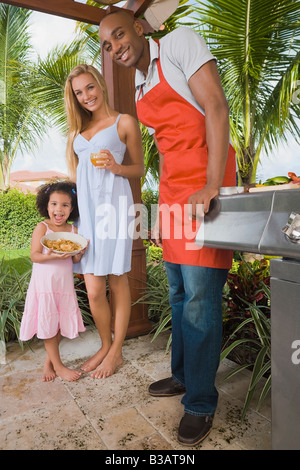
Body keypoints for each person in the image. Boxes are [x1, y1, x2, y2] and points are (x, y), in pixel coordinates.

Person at [99, 10, 236, 445]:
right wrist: (161, 210)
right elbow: (165, 151)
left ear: (138, 28)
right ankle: (182, 377)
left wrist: (212, 184)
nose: (115, 46)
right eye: (106, 44)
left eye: (118, 34)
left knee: (199, 298)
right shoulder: (140, 88)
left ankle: (199, 402)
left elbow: (215, 106)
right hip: (177, 194)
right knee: (178, 293)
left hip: (206, 186)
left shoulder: (179, 43)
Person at [64, 64, 144, 379]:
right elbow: (75, 181)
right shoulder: (76, 132)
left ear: (100, 84)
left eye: (90, 88)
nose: (86, 96)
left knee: (118, 279)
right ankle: (104, 343)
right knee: (94, 289)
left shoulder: (124, 122)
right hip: (87, 215)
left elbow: (138, 168)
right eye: (79, 93)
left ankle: (116, 351)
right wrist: (73, 223)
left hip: (115, 207)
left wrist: (116, 166)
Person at [19, 181, 87, 382]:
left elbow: (74, 259)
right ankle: (58, 366)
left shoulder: (73, 232)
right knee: (49, 320)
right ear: (46, 206)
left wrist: (80, 253)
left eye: (65, 205)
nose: (59, 209)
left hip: (63, 285)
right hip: (45, 284)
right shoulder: (42, 228)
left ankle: (49, 362)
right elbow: (34, 256)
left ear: (72, 208)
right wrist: (53, 256)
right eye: (54, 204)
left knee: (57, 323)